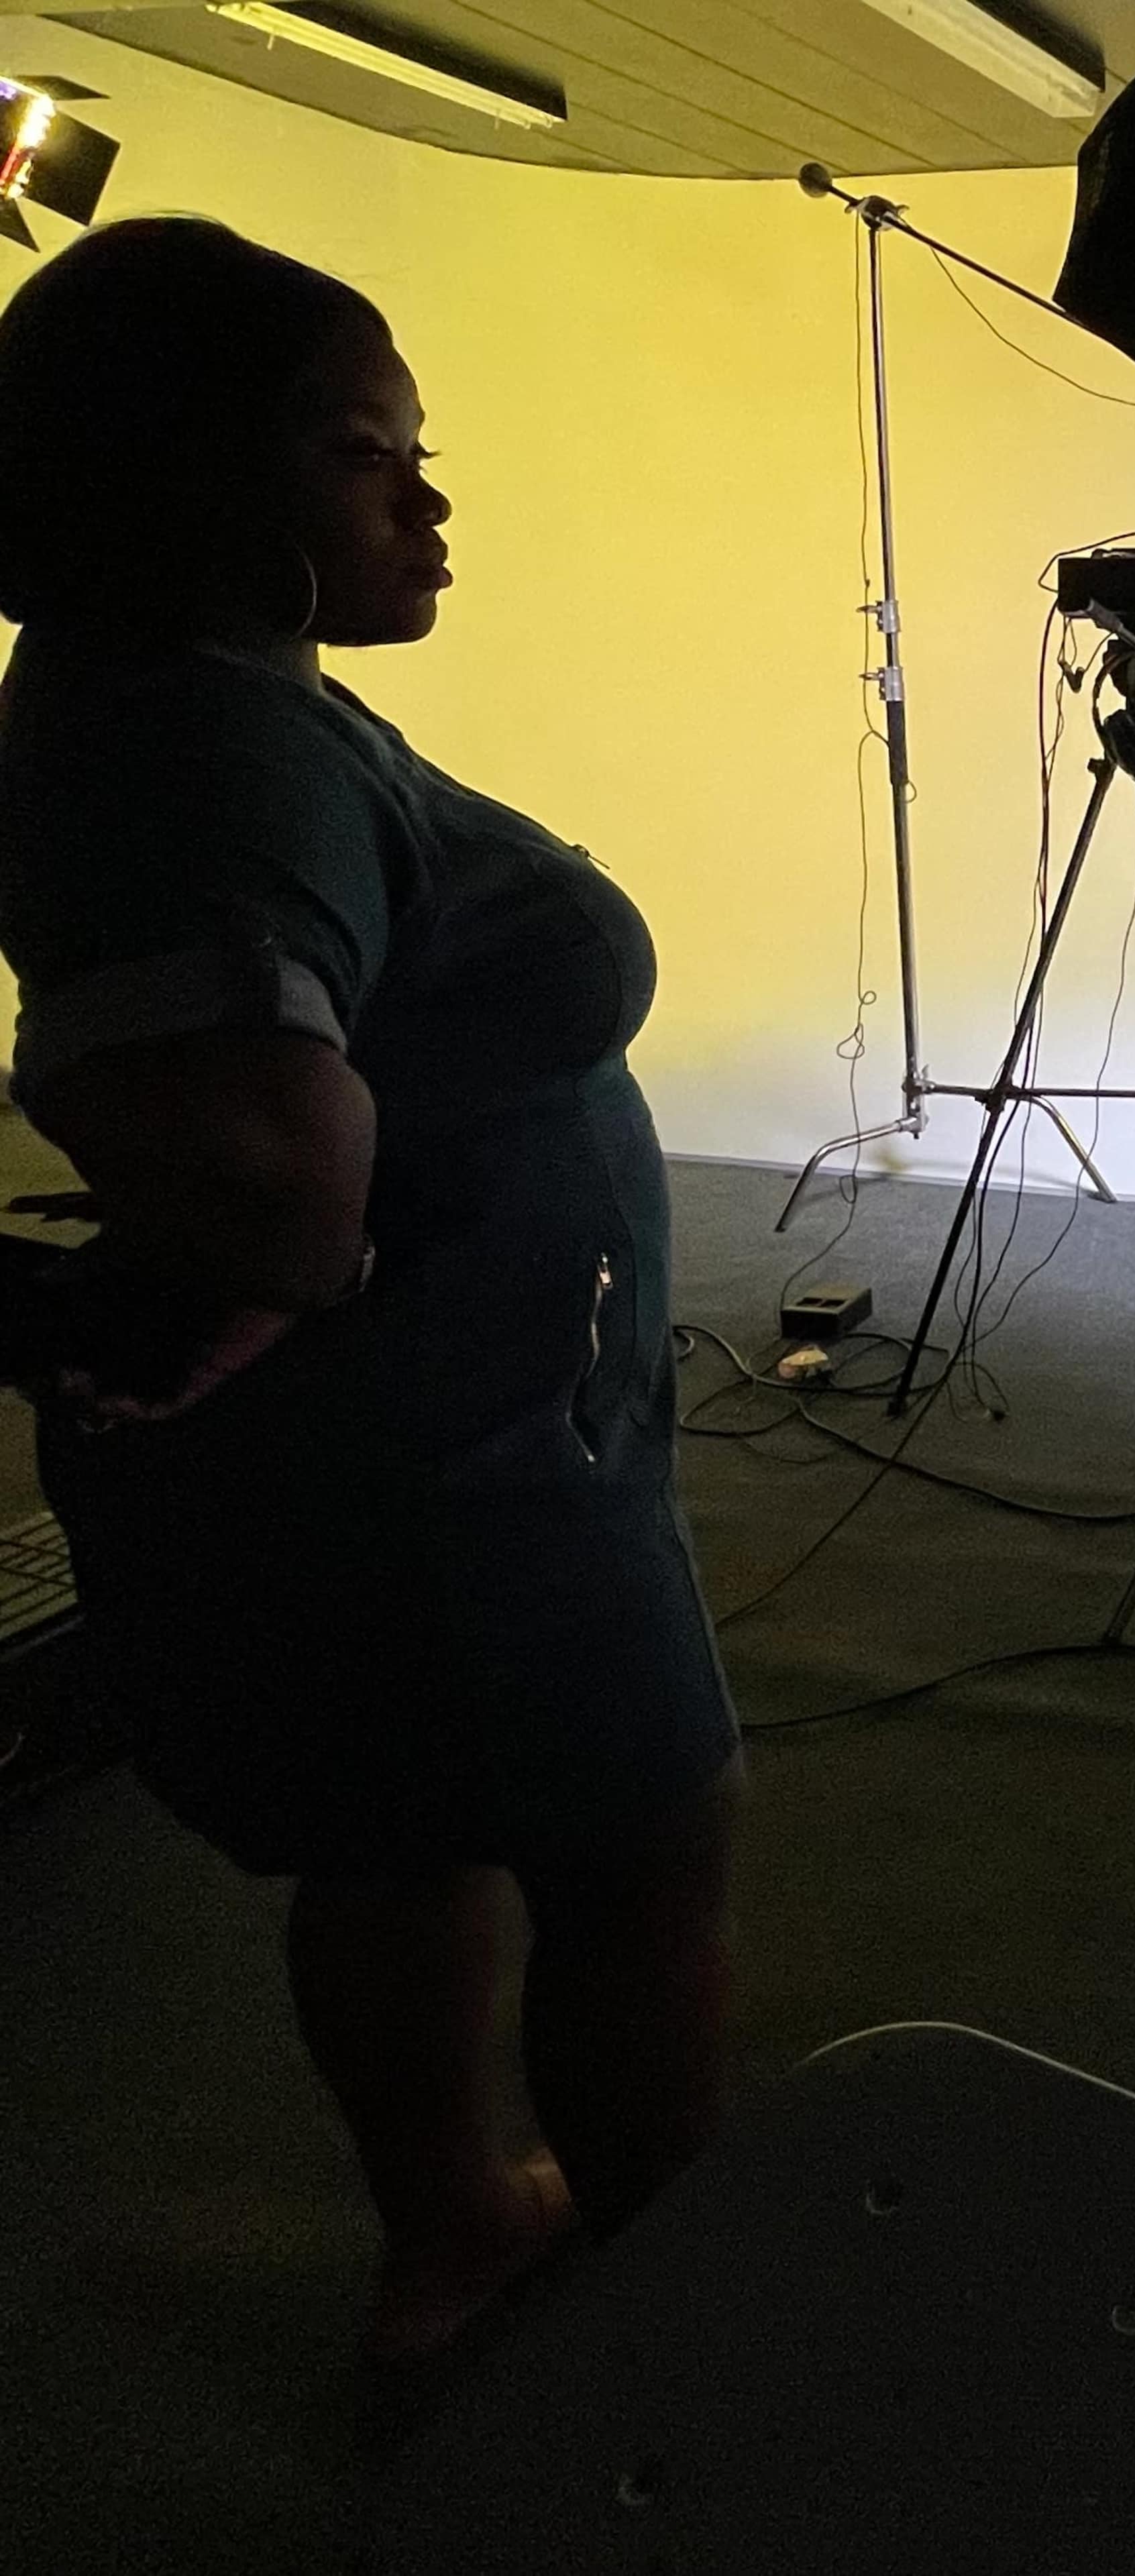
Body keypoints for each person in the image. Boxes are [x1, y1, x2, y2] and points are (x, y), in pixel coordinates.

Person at [0, 220, 743, 2363]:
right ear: (201, 482)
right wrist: (254, 1247)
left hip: (436, 1439)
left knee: (402, 1836)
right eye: (364, 452)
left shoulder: (205, 696)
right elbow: (261, 1173)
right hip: (440, 1477)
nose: (427, 495)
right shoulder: (201, 752)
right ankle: (664, 2325)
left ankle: (456, 2233)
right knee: (639, 1839)